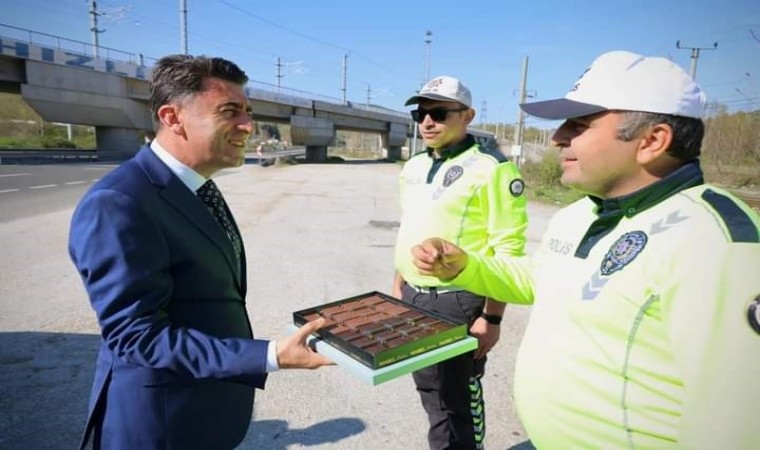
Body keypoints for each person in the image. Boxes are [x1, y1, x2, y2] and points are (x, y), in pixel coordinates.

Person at [410, 51, 760, 449]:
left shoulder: (714, 240)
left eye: (578, 124)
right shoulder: (579, 214)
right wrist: (465, 266)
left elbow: (738, 424)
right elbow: (538, 281)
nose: (558, 137)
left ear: (652, 141)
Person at [68, 54, 332, 450]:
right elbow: (136, 336)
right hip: (160, 425)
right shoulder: (119, 203)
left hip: (203, 410)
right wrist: (270, 355)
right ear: (173, 117)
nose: (248, 125)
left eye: (247, 111)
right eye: (229, 111)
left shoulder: (196, 184)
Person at [393, 75, 528, 449]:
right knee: (430, 390)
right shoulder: (414, 166)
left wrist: (492, 318)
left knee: (457, 401)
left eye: (438, 113)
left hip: (459, 301)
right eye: (420, 114)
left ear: (467, 116)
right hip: (414, 296)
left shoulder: (493, 169)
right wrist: (399, 279)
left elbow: (506, 250)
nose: (427, 122)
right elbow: (411, 225)